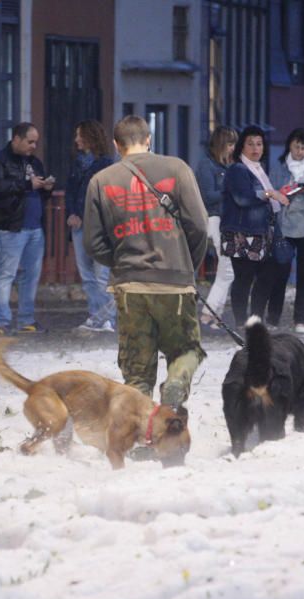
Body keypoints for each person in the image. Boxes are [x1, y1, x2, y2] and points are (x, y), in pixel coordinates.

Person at [83, 115, 209, 408]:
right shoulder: (177, 168)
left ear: (117, 145)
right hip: (174, 283)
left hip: (129, 285)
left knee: (137, 371)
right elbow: (199, 226)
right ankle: (175, 387)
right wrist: (186, 264)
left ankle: (139, 429)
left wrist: (119, 261)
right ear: (148, 139)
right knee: (186, 351)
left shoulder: (100, 181)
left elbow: (92, 242)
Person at [0, 122, 55, 336]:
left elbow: (38, 191)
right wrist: (27, 185)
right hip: (10, 228)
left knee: (31, 276)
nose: (34, 146)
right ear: (17, 139)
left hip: (34, 228)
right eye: (30, 141)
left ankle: (26, 320)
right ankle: (2, 322)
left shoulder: (34, 162)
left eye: (36, 142)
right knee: (7, 274)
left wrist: (47, 189)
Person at [220, 125, 290, 329]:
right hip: (242, 232)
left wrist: (277, 194)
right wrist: (270, 194)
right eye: (250, 144)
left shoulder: (259, 169)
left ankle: (256, 318)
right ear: (241, 146)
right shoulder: (238, 169)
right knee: (244, 278)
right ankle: (242, 321)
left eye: (259, 144)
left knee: (266, 276)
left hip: (261, 232)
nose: (255, 148)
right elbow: (243, 198)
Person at [65, 119, 117, 333]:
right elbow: (70, 191)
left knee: (101, 275)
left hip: (99, 226)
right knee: (88, 275)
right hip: (79, 225)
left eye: (80, 135)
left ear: (90, 138)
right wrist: (72, 213)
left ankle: (105, 318)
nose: (76, 139)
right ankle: (97, 316)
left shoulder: (106, 164)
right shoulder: (78, 163)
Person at [267, 128, 304, 333]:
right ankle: (273, 317)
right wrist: (283, 192)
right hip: (284, 226)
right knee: (280, 272)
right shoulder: (279, 166)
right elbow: (271, 190)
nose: (300, 151)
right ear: (289, 145)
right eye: (297, 146)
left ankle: (300, 319)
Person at [194, 125, 238, 331]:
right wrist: (230, 190)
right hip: (215, 220)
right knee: (228, 270)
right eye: (230, 144)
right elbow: (207, 195)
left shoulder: (228, 167)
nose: (233, 148)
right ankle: (208, 314)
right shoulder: (206, 166)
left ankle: (213, 315)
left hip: (227, 219)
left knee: (225, 270)